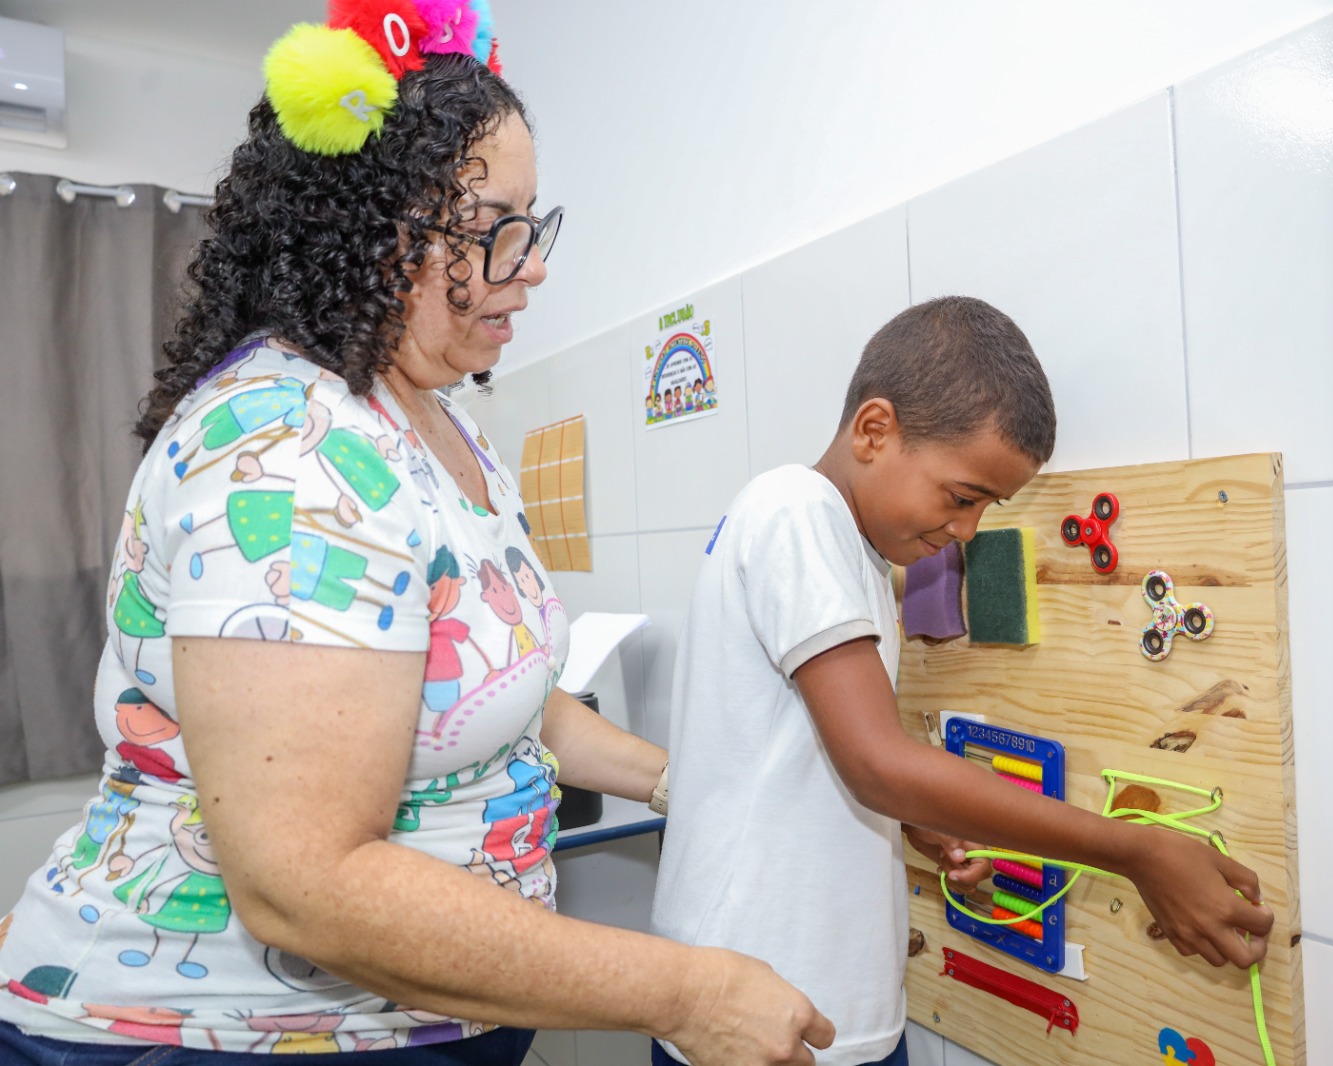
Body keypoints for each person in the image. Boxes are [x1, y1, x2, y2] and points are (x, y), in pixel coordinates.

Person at [0, 4, 833, 1063]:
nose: (532, 266)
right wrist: (683, 991)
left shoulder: (439, 426)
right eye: (498, 227)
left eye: (536, 223)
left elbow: (498, 701)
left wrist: (683, 782)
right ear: (374, 228)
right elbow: (305, 885)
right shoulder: (288, 450)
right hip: (219, 1035)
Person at [649, 296, 1276, 1066]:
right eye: (963, 496)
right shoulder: (796, 511)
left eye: (986, 506)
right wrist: (1134, 851)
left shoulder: (857, 552)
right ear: (874, 431)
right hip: (758, 1015)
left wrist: (921, 818)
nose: (968, 530)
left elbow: (811, 755)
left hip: (818, 1006)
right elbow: (876, 763)